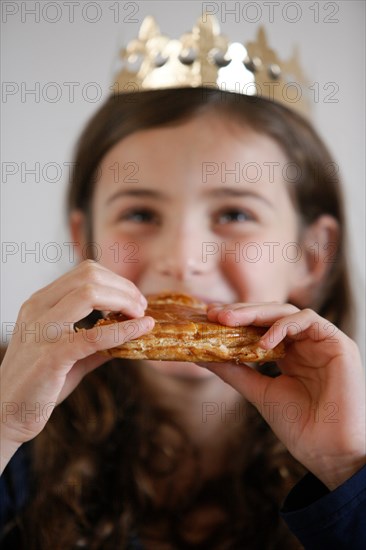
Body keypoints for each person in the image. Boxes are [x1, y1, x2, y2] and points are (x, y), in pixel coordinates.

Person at [0, 86, 365, 549]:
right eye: (139, 213)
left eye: (234, 212)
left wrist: (346, 472)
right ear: (86, 244)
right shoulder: (9, 411)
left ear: (311, 256)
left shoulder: (356, 452)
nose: (182, 258)